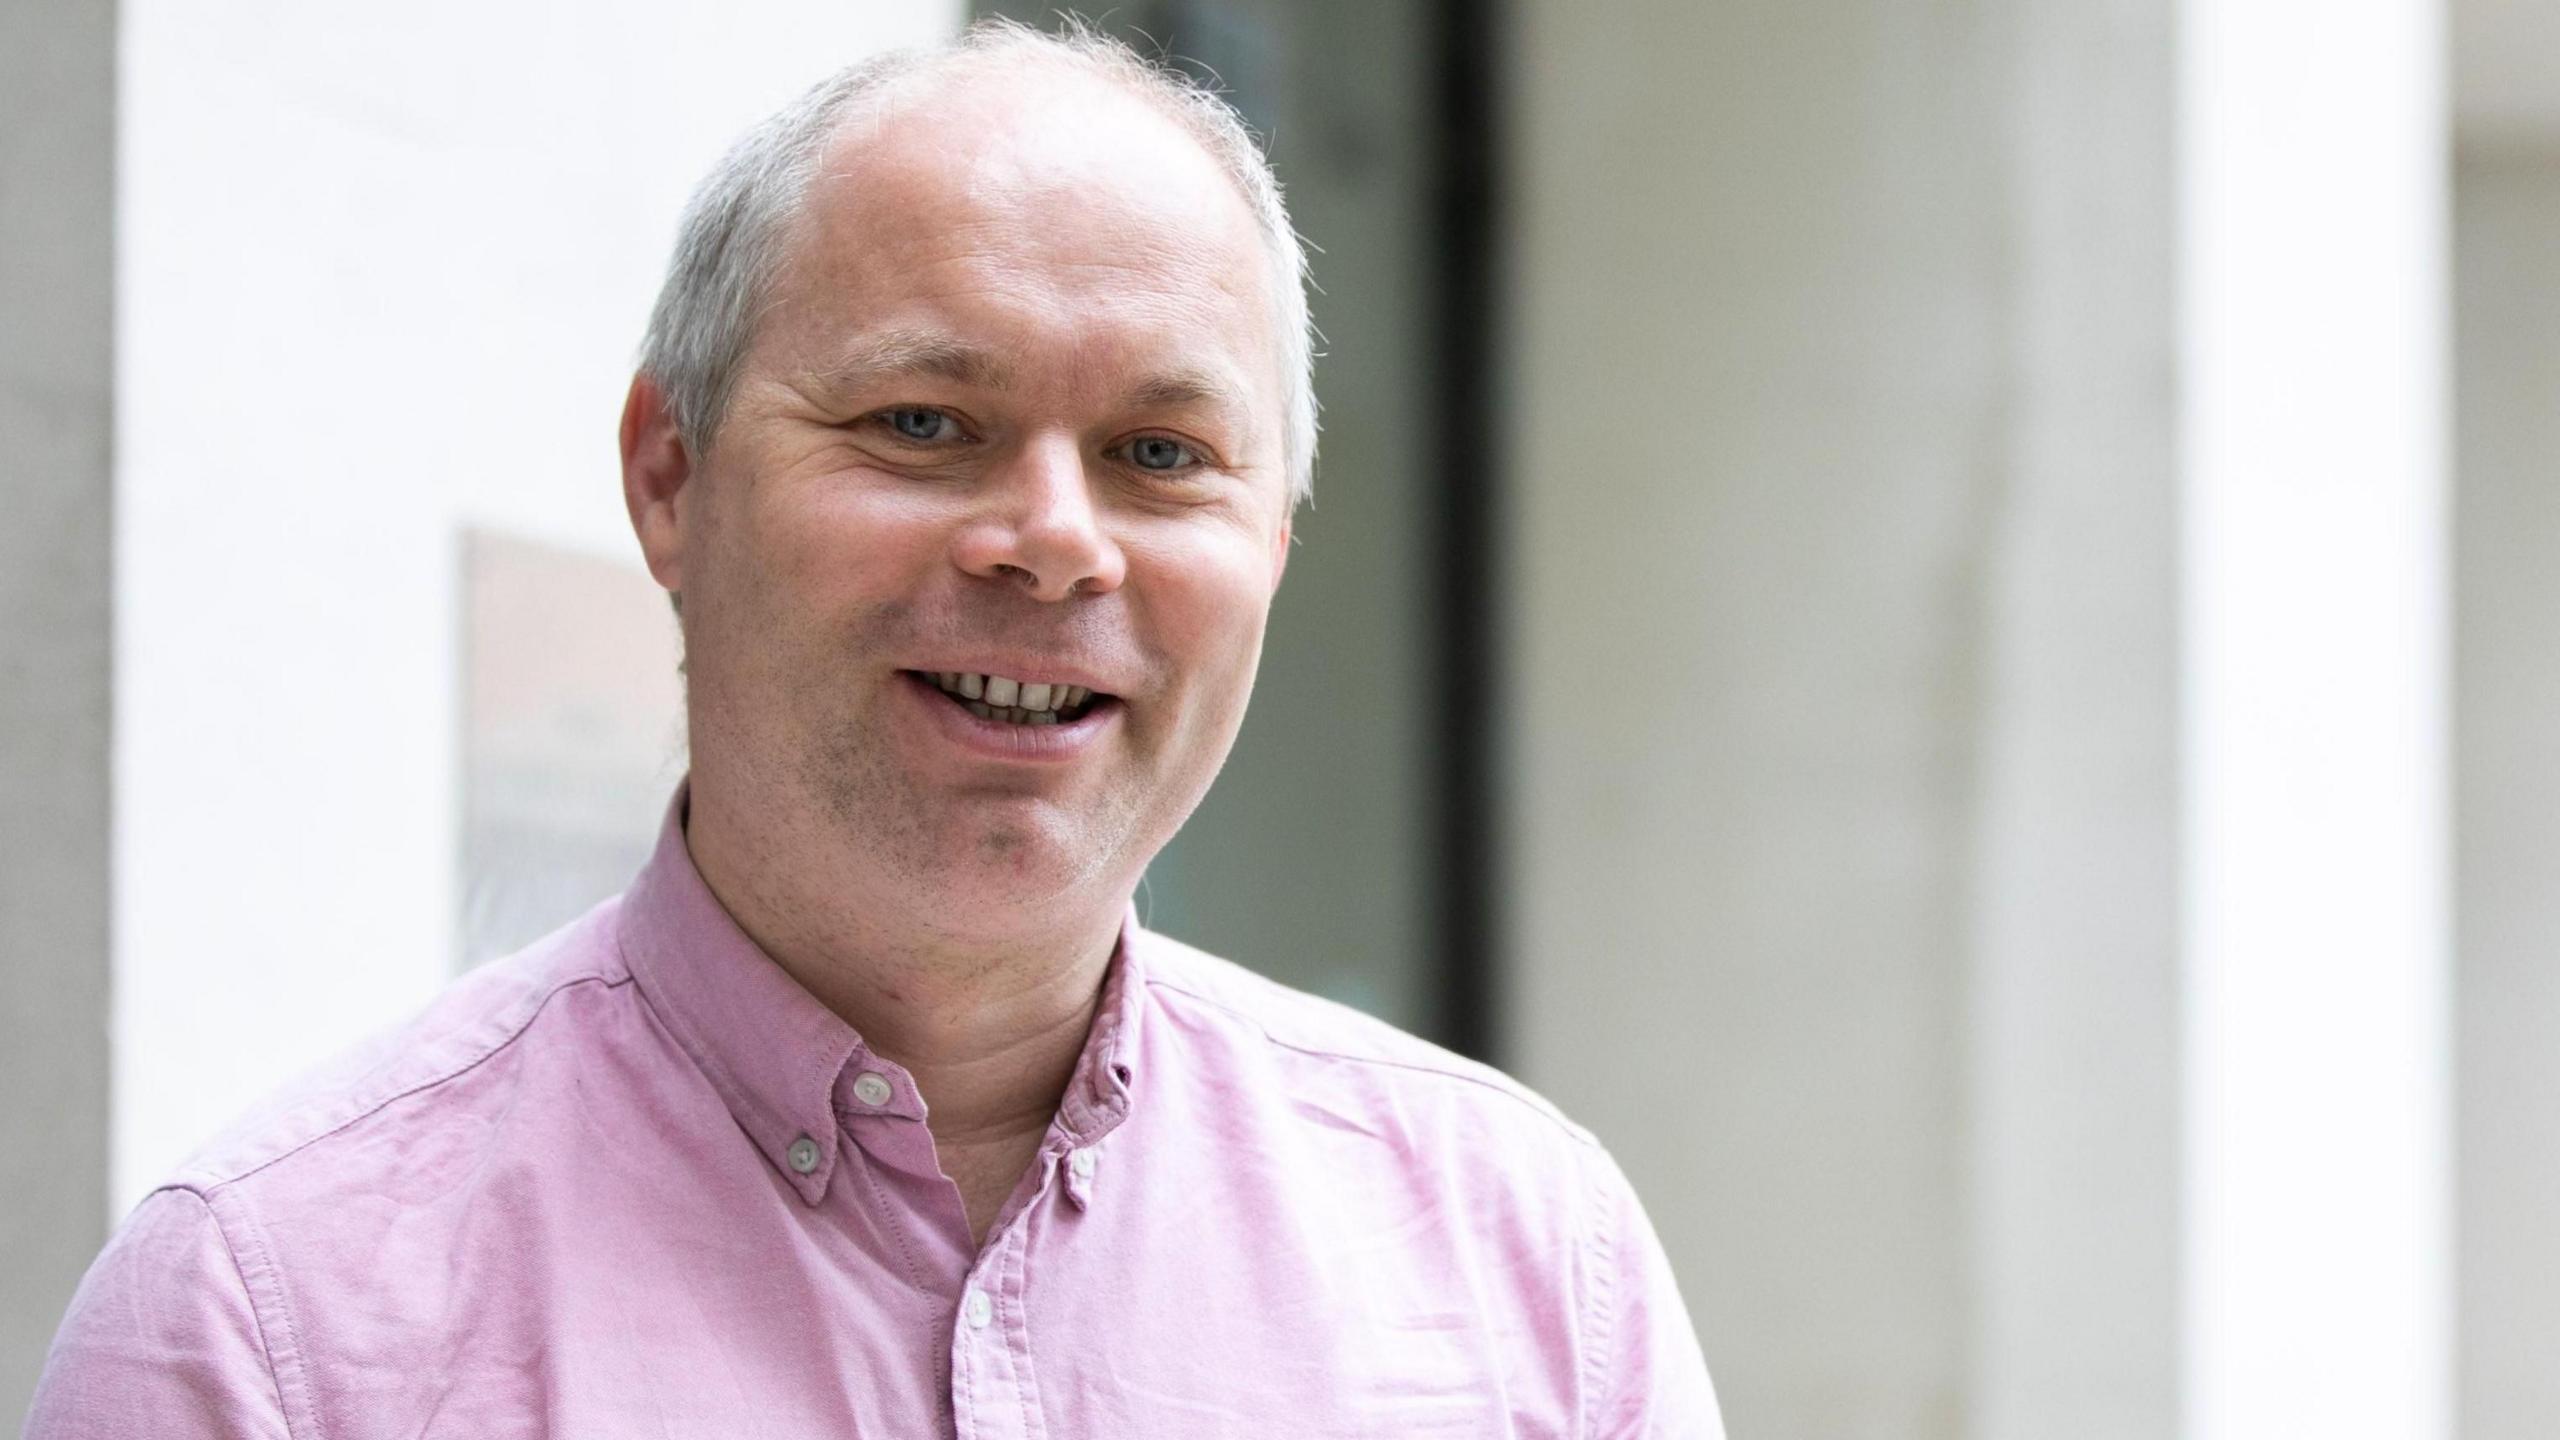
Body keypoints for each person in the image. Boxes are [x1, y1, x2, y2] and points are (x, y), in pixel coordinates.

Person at [26, 20, 1720, 1438]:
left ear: (1273, 542)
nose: (1055, 539)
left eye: (1161, 454)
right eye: (926, 421)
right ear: (670, 480)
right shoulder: (271, 1330)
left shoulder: (1524, 1268)